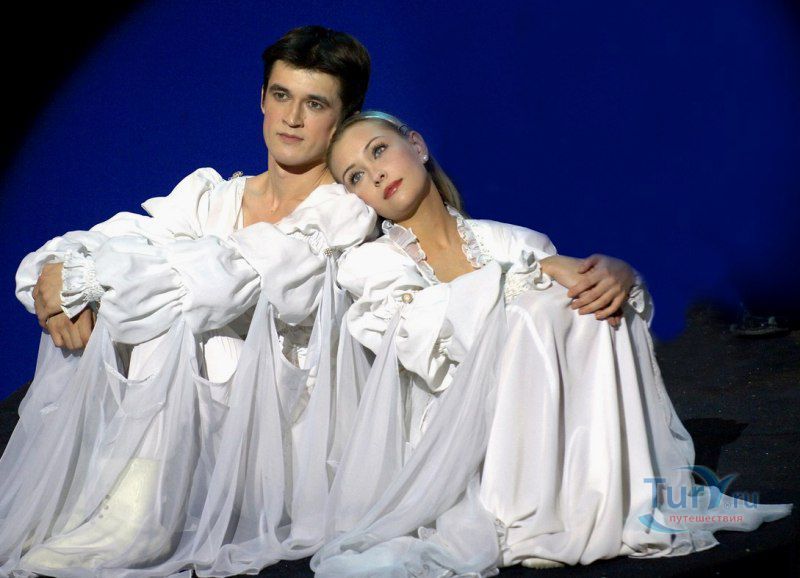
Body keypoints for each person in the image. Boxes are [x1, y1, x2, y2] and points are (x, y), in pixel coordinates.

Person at [311, 111, 794, 575]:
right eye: (356, 176)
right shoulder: (370, 266)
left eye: (379, 151)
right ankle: (528, 508)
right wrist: (539, 273)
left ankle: (596, 492)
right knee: (539, 306)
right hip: (458, 432)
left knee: (585, 300)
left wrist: (615, 277)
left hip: (555, 413)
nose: (375, 174)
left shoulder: (514, 240)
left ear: (416, 146)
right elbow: (432, 343)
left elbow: (577, 329)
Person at [1, 26, 376, 577]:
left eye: (315, 104)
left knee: (168, 318)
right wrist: (61, 273)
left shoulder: (342, 213)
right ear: (262, 99)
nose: (292, 118)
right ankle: (110, 500)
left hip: (281, 441)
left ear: (342, 118)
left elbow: (216, 284)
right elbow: (120, 236)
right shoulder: (212, 197)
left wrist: (89, 278)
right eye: (281, 95)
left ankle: (138, 519)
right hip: (196, 432)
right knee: (118, 307)